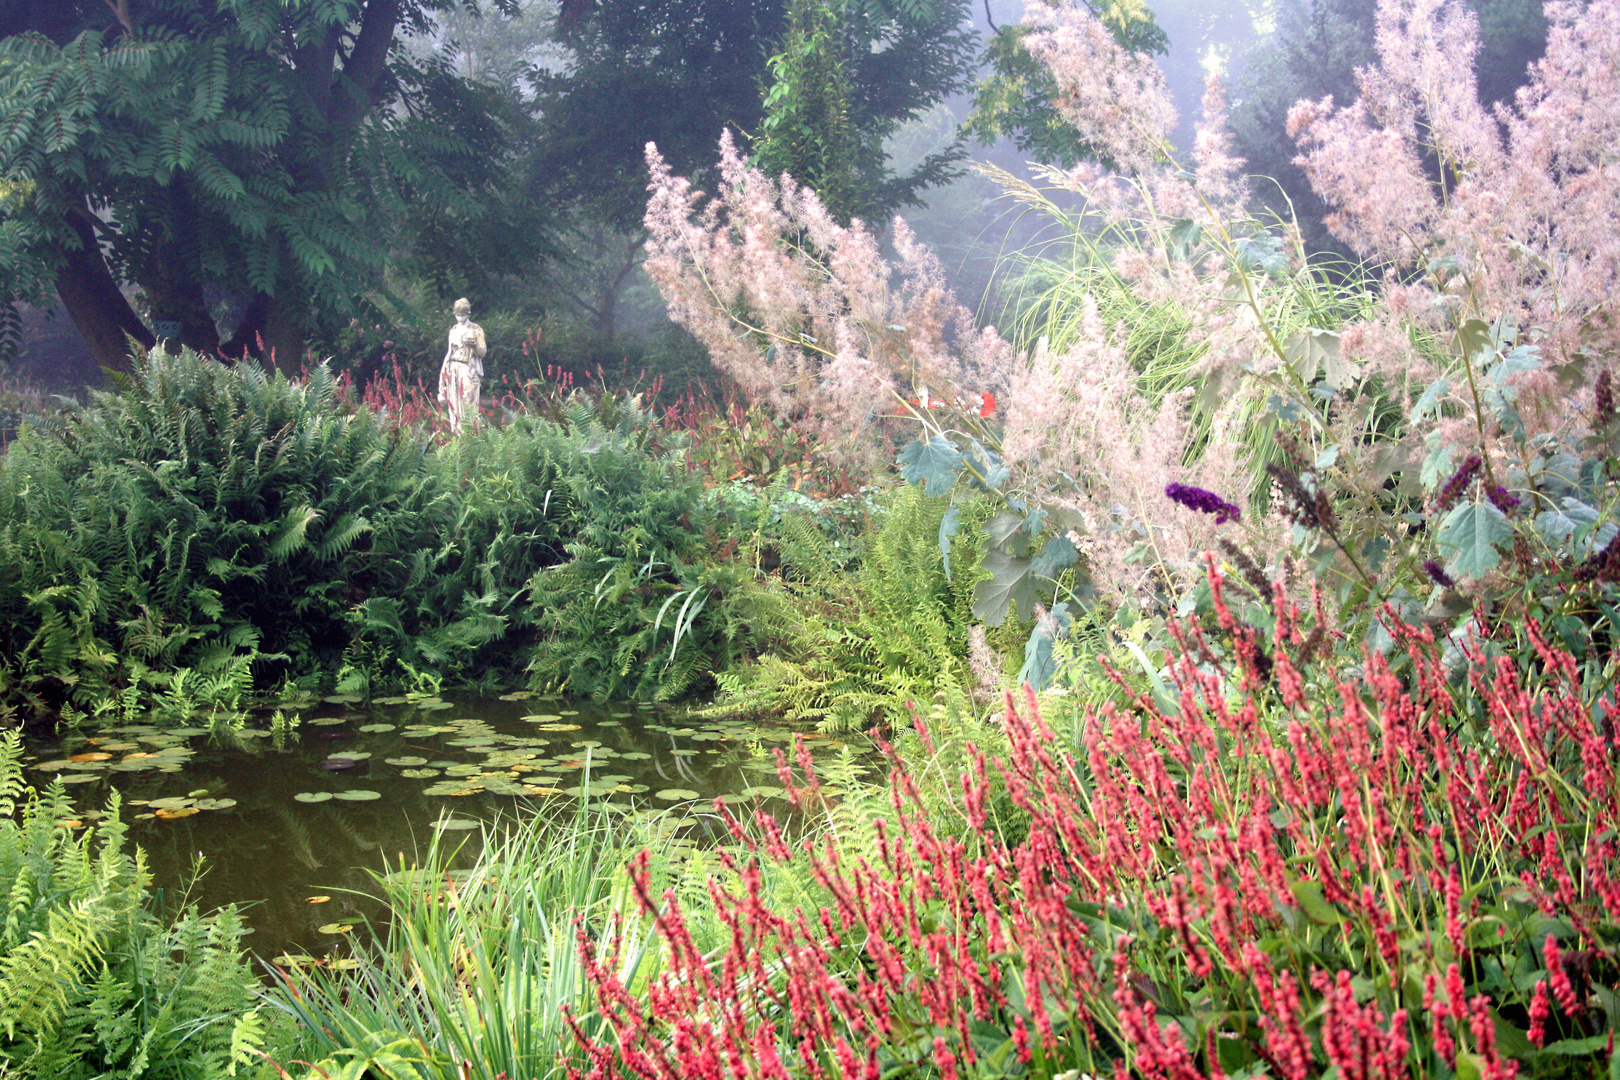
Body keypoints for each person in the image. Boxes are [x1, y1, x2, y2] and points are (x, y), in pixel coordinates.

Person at [437, 297, 486, 433]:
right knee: (455, 408)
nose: (460, 318)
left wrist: (474, 344)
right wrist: (442, 383)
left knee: (469, 405)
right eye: (458, 315)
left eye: (463, 315)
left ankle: (471, 438)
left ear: (468, 314)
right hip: (453, 369)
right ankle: (459, 440)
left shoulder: (476, 329)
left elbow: (482, 352)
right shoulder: (453, 330)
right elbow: (449, 353)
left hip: (468, 369)